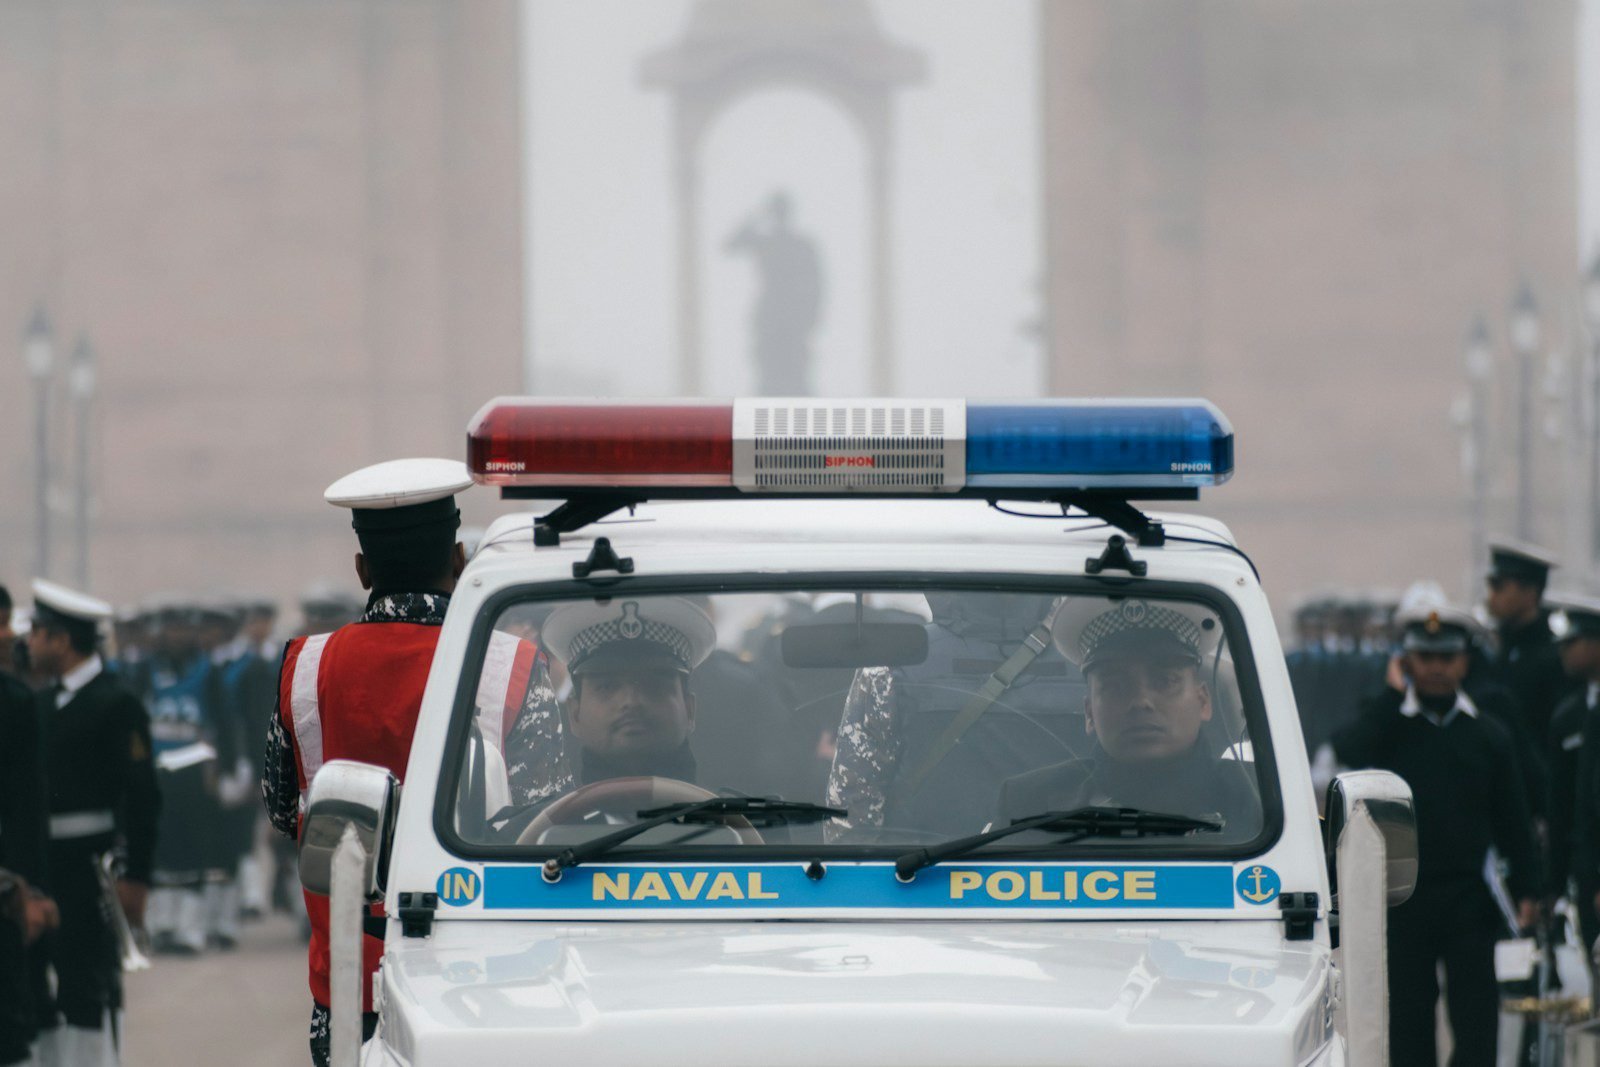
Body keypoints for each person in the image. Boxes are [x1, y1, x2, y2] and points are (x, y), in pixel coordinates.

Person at [263, 458, 532, 1067]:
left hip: (348, 981)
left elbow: (285, 813)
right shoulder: (510, 664)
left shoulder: (304, 667)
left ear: (362, 570)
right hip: (482, 981)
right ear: (459, 559)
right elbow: (545, 827)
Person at [1326, 603, 1538, 1067]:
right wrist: (1390, 695)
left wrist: (1528, 889)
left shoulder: (1488, 734)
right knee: (1407, 1024)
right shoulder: (1389, 727)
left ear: (1464, 661)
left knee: (1477, 1023)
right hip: (1403, 899)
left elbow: (1513, 821)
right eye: (1425, 657)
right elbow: (1347, 749)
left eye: (1447, 657)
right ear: (1406, 660)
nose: (1438, 668)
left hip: (1469, 900)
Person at [827, 593, 1088, 841]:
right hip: (1065, 877)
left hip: (922, 875)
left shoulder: (892, 662)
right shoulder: (1091, 664)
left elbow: (852, 811)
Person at [27, 579, 160, 1066]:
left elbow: (142, 796)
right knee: (39, 983)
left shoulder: (116, 702)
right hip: (42, 865)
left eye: (39, 632)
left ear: (62, 640)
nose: (30, 642)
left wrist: (136, 876)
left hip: (91, 868)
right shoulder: (39, 703)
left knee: (87, 985)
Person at [994, 597, 1260, 832]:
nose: (1141, 702)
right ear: (1089, 713)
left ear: (1203, 701)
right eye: (1116, 686)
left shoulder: (1262, 800)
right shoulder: (1031, 806)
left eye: (1165, 681)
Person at [506, 597, 716, 804]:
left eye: (654, 686)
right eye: (607, 687)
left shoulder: (738, 830)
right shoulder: (531, 835)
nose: (631, 701)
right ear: (575, 713)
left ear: (689, 709)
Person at [0, 638, 54, 1066]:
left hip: (5, 884)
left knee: (12, 1019)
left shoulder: (14, 702)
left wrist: (26, 887)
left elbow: (25, 806)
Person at [1485, 541, 1575, 758]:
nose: (1491, 597)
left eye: (1500, 587)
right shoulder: (1496, 650)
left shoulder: (1553, 659)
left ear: (1530, 593)